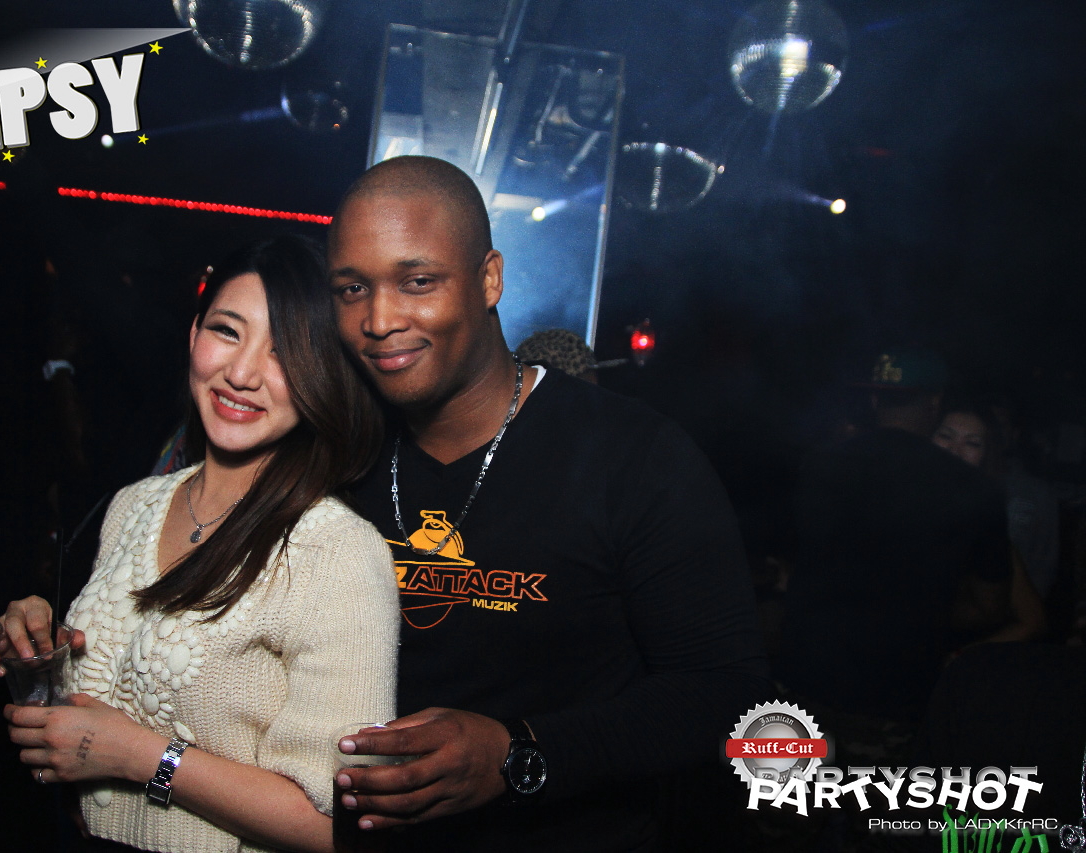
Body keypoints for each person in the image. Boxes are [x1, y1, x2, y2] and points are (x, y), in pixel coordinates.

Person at [326, 155, 769, 851]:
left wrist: (519, 754)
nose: (379, 319)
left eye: (418, 282)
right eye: (353, 288)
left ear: (489, 279)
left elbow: (725, 692)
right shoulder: (334, 453)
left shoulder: (635, 457)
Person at [0, 236, 400, 853]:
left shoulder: (338, 552)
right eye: (227, 331)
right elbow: (110, 695)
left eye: (284, 352)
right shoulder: (134, 505)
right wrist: (40, 651)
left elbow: (334, 825)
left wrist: (142, 756)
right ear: (194, 332)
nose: (242, 373)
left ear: (325, 375)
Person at [776, 352, 1013, 765]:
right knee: (873, 806)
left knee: (784, 804)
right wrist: (919, 613)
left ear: (874, 400)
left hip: (801, 682)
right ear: (934, 402)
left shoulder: (819, 464)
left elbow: (784, 565)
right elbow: (991, 606)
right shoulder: (972, 489)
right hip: (892, 698)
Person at [931, 401, 1046, 643]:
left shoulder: (984, 526)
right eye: (945, 436)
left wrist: (962, 657)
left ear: (986, 455)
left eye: (972, 443)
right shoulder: (894, 505)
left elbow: (1032, 621)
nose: (954, 450)